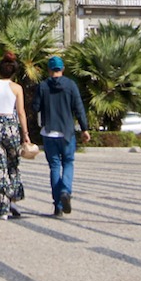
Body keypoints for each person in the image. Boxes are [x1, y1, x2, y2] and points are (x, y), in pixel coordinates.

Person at [37, 55, 91, 218]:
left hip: (49, 132)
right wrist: (84, 128)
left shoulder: (43, 86)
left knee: (54, 166)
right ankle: (65, 191)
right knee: (68, 162)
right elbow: (79, 108)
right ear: (63, 69)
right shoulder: (71, 85)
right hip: (67, 131)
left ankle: (58, 206)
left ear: (48, 69)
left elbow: (35, 106)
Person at [0, 52, 31, 220]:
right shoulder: (17, 88)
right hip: (12, 129)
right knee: (13, 165)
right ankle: (14, 198)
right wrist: (25, 134)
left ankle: (4, 206)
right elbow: (21, 112)